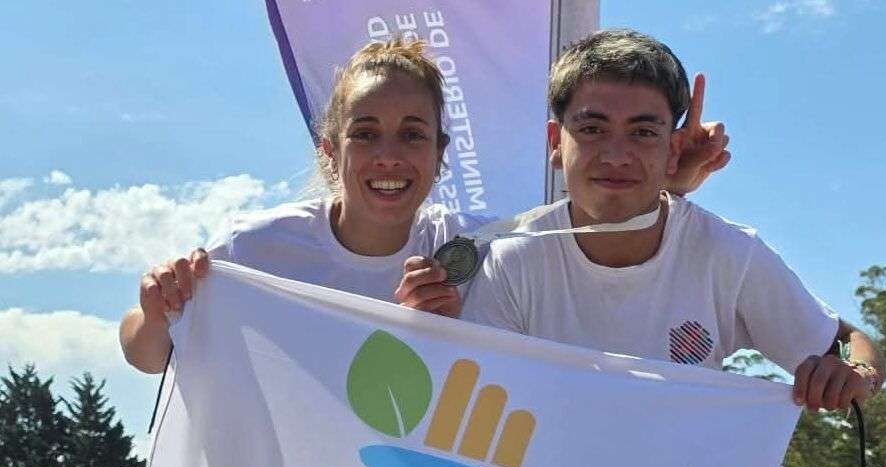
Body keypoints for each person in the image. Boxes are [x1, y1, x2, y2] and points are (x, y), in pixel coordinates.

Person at [395, 29, 886, 467]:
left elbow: (853, 342)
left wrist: (854, 376)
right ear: (555, 143)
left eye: (644, 131)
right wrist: (423, 336)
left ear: (673, 146)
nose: (616, 153)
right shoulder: (510, 263)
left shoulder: (728, 255)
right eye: (592, 128)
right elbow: (474, 429)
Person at [119, 38, 728, 373]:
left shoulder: (475, 248)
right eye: (365, 135)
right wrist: (154, 311)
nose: (389, 157)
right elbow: (148, 354)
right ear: (331, 151)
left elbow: (585, 234)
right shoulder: (253, 246)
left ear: (440, 153)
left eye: (412, 135)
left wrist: (666, 187)